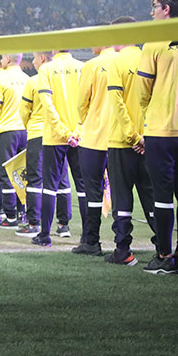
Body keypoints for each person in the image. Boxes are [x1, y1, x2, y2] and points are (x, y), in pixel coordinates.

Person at [138, 0, 178, 274]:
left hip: (162, 129)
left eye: (155, 6)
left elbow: (142, 91)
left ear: (167, 10)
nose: (152, 12)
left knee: (162, 194)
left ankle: (163, 255)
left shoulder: (154, 42)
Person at [105, 19, 155, 266]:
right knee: (152, 196)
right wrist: (145, 136)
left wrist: (131, 135)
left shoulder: (115, 62)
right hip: (150, 141)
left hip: (122, 142)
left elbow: (117, 102)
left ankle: (123, 251)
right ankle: (165, 250)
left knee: (122, 197)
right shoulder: (150, 57)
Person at [34, 49, 84, 246]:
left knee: (49, 187)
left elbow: (48, 106)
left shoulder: (46, 69)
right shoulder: (82, 67)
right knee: (83, 188)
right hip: (79, 138)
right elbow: (88, 104)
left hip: (55, 138)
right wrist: (76, 132)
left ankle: (45, 235)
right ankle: (87, 237)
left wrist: (64, 132)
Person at [74, 45, 117, 256]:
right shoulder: (127, 61)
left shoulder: (92, 65)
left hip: (94, 138)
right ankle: (123, 244)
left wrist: (86, 120)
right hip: (121, 137)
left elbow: (81, 103)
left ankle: (92, 241)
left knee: (93, 191)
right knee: (122, 191)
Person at [0, 53, 29, 229]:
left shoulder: (0, 80)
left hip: (6, 131)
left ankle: (10, 216)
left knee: (6, 175)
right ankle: (23, 213)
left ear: (6, 58)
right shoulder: (28, 79)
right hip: (25, 131)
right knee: (22, 173)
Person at [16, 52, 49, 237]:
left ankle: (34, 223)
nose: (33, 62)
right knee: (60, 181)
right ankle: (63, 225)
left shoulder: (34, 81)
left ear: (42, 58)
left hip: (38, 133)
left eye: (35, 58)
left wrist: (30, 125)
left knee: (35, 179)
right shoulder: (63, 79)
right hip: (62, 135)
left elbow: (24, 111)